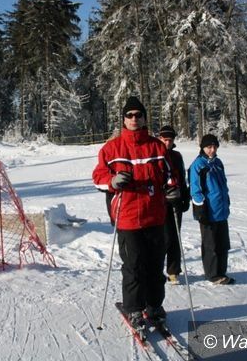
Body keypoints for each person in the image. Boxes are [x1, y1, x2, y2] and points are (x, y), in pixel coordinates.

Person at [92, 96, 180, 331]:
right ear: (124, 119)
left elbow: (170, 175)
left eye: (138, 115)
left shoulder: (157, 147)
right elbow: (98, 177)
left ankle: (154, 305)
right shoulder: (111, 148)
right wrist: (112, 181)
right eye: (129, 115)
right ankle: (134, 308)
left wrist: (172, 189)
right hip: (127, 217)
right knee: (134, 266)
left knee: (155, 265)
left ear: (144, 118)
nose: (134, 118)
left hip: (155, 216)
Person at [189, 134, 234, 285]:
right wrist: (200, 208)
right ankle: (213, 274)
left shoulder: (218, 163)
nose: (212, 150)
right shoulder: (198, 165)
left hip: (221, 210)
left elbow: (223, 185)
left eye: (214, 147)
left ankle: (221, 272)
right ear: (203, 148)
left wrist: (226, 201)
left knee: (223, 244)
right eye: (209, 147)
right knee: (211, 244)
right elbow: (195, 189)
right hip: (208, 212)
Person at [157, 126, 190, 285]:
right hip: (160, 202)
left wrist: (185, 197)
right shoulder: (155, 154)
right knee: (163, 237)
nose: (167, 143)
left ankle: (173, 271)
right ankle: (157, 270)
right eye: (165, 140)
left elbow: (182, 178)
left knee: (175, 236)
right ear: (160, 139)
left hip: (176, 200)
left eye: (170, 140)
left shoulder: (177, 156)